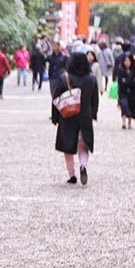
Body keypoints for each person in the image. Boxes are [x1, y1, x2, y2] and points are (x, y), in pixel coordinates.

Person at [51, 52, 98, 185]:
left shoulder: (65, 78)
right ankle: (83, 166)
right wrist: (93, 113)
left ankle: (72, 175)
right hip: (84, 116)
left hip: (67, 117)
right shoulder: (91, 79)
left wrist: (55, 117)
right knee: (83, 146)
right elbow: (95, 100)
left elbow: (56, 99)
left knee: (68, 147)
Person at [117, 53, 135, 130]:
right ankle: (123, 122)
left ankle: (129, 123)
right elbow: (120, 81)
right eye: (125, 61)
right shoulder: (121, 69)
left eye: (128, 61)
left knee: (131, 106)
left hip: (133, 92)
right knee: (124, 105)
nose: (126, 63)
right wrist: (129, 81)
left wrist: (127, 81)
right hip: (123, 91)